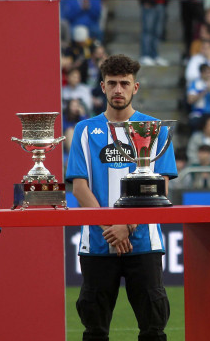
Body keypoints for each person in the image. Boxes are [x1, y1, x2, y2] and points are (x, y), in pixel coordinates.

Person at [65, 54, 176, 341]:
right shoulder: (85, 130)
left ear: (135, 87)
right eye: (112, 83)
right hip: (99, 243)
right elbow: (79, 186)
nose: (118, 90)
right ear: (102, 86)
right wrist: (111, 227)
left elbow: (160, 186)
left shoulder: (155, 129)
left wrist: (128, 225)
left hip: (144, 242)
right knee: (95, 330)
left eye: (124, 84)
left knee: (153, 329)